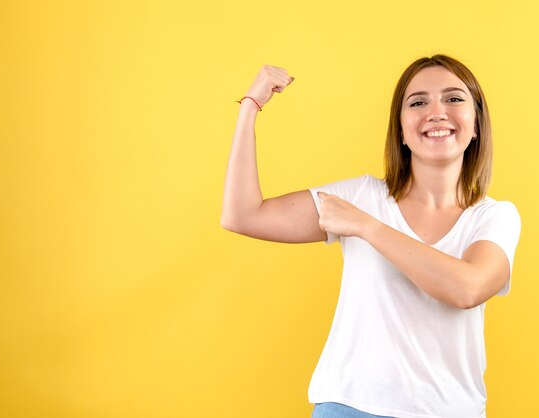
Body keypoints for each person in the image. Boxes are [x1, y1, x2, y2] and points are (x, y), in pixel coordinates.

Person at [221, 55, 521, 418]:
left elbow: (467, 289)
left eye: (454, 98)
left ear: (476, 125)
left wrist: (367, 227)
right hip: (349, 407)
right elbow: (242, 215)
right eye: (418, 102)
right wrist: (250, 107)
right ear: (401, 131)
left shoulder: (494, 217)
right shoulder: (361, 197)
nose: (437, 111)